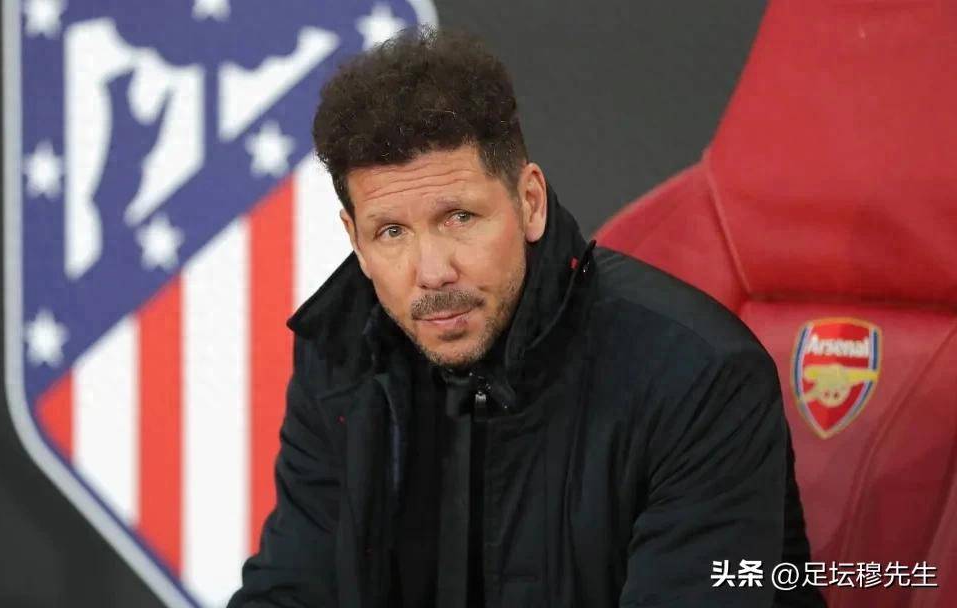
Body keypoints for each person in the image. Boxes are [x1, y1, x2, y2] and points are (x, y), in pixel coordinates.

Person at [229, 27, 824, 608]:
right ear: (355, 242)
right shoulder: (342, 358)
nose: (432, 272)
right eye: (391, 232)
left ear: (530, 202)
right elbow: (291, 587)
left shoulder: (699, 376)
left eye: (459, 217)